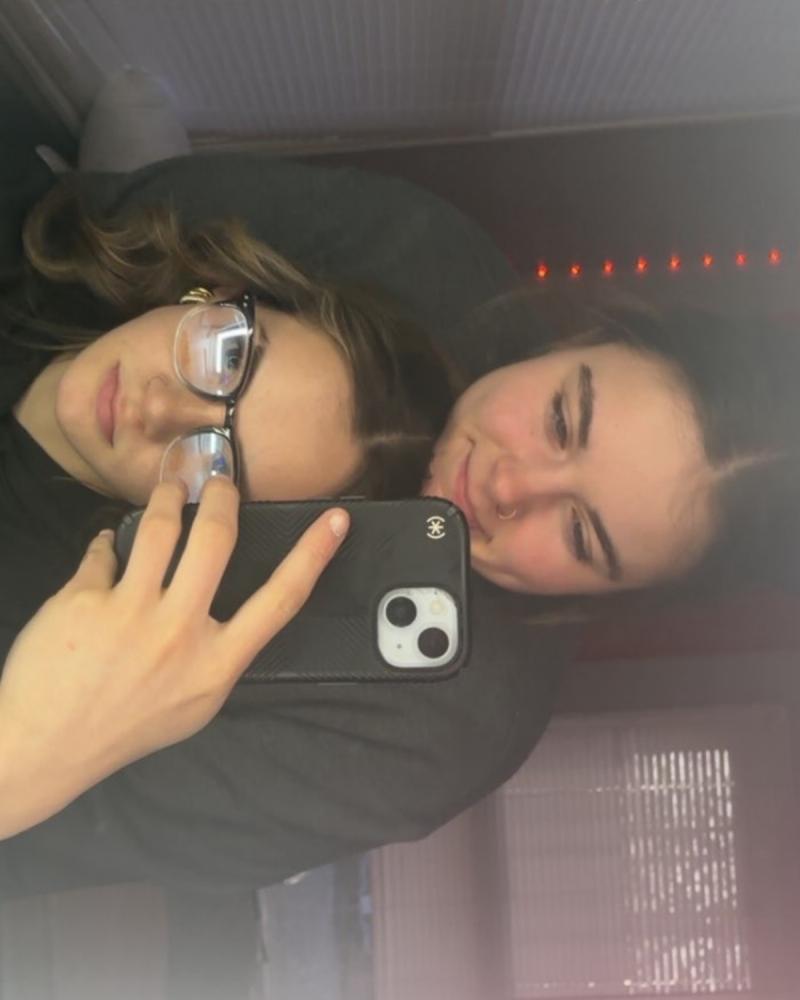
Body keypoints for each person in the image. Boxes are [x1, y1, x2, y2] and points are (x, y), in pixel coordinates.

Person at [2, 152, 796, 898]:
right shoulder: (421, 255)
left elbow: (56, 830)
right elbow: (98, 233)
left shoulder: (440, 730)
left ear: (596, 598)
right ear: (582, 340)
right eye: (562, 418)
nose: (510, 485)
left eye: (581, 537)